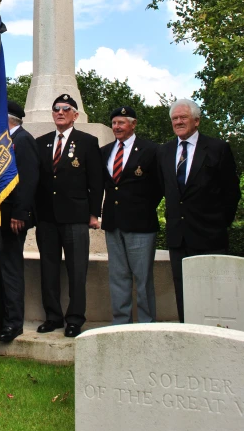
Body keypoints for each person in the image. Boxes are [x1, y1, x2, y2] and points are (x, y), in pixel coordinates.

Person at [158, 98, 241, 322]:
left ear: (196, 120)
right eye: (174, 118)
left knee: (213, 294)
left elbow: (231, 192)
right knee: (183, 291)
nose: (178, 122)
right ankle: (188, 332)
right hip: (178, 237)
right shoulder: (164, 152)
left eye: (183, 117)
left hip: (209, 235)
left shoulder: (217, 148)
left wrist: (219, 222)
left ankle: (216, 335)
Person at [35, 94, 103, 337]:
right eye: (56, 109)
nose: (60, 112)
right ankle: (52, 316)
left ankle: (75, 318)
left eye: (66, 109)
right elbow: (36, 181)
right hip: (46, 218)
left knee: (77, 270)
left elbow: (96, 182)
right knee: (48, 269)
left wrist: (94, 214)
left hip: (75, 217)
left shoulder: (87, 142)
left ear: (75, 115)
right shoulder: (40, 142)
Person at [101, 106, 162, 324]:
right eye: (114, 123)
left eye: (121, 123)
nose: (116, 127)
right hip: (113, 223)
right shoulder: (105, 150)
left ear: (133, 124)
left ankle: (146, 324)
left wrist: (142, 207)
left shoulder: (151, 150)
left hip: (140, 224)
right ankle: (121, 323)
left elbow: (159, 186)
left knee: (143, 279)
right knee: (118, 277)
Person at [0, 100, 39, 343]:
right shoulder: (1, 141)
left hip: (13, 218)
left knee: (10, 271)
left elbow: (29, 179)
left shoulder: (22, 140)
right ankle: (1, 319)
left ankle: (14, 323)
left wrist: (20, 213)